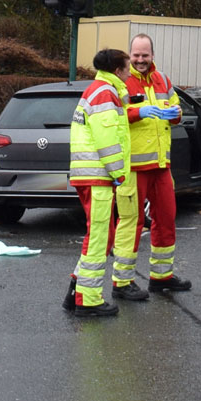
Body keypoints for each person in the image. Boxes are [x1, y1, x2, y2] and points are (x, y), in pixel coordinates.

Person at [64, 48, 137, 318]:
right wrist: (119, 173)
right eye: (127, 68)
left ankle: (77, 291)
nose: (130, 73)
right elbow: (107, 141)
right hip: (98, 176)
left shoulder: (100, 90)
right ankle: (89, 300)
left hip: (91, 175)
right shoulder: (106, 93)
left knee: (98, 236)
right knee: (99, 238)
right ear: (117, 70)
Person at [123, 33, 190, 295]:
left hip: (161, 164)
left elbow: (176, 108)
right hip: (134, 166)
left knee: (166, 219)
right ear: (130, 55)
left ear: (152, 55)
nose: (140, 60)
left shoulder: (162, 79)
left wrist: (176, 114)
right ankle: (123, 281)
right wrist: (140, 111)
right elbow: (116, 114)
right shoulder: (123, 81)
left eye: (145, 55)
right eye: (136, 55)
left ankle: (162, 276)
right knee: (132, 223)